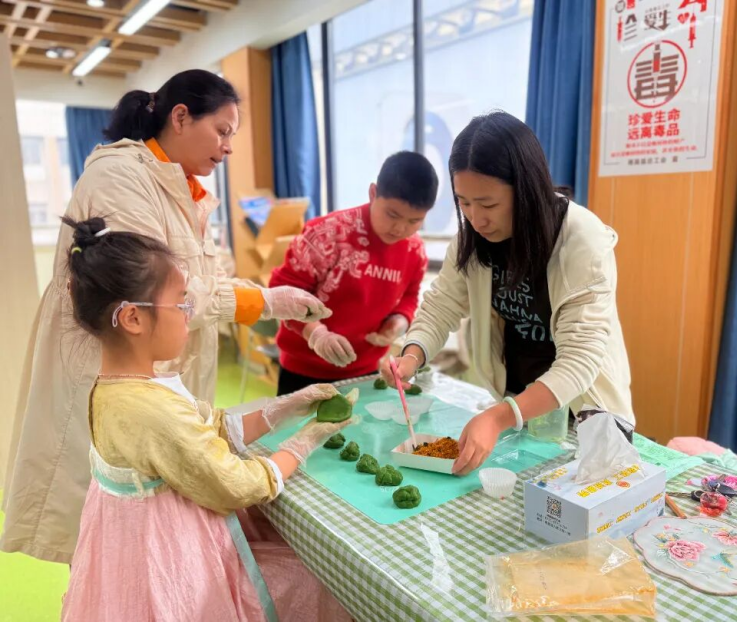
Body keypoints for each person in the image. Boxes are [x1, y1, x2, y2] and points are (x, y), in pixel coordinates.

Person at [1, 69, 328, 564]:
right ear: (180, 117)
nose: (228, 147)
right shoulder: (120, 178)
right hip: (114, 368)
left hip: (157, 370)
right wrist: (263, 303)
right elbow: (155, 289)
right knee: (109, 533)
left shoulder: (184, 189)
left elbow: (198, 280)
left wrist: (268, 301)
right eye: (222, 131)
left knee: (153, 525)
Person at [58, 217, 351, 622]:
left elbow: (206, 428)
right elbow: (234, 484)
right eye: (181, 303)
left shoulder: (119, 388)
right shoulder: (150, 411)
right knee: (313, 580)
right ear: (133, 319)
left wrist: (284, 408)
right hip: (174, 565)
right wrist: (300, 446)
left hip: (144, 552)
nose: (188, 314)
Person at [381, 112, 634, 475]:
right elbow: (441, 306)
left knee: (581, 497)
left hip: (584, 414)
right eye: (464, 202)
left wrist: (499, 417)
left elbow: (579, 360)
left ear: (526, 190)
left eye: (488, 204)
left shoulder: (581, 239)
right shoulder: (473, 239)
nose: (476, 218)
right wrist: (412, 355)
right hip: (519, 407)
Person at [270, 151, 438, 395]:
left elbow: (410, 296)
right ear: (373, 193)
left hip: (365, 370)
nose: (400, 228)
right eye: (392, 214)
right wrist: (316, 333)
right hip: (303, 370)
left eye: (414, 221)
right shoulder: (327, 234)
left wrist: (399, 321)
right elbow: (283, 292)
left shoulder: (414, 250)